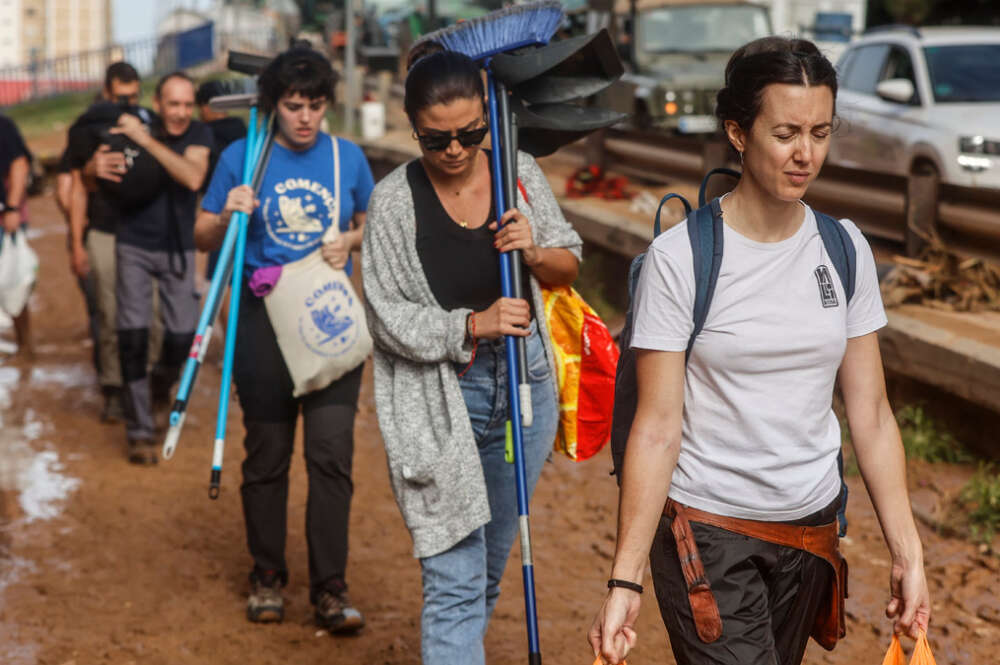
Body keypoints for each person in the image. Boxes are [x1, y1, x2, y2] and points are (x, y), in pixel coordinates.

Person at [588, 37, 930, 665]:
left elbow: (872, 414)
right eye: (786, 133)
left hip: (812, 530)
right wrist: (624, 580)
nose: (806, 155)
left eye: (821, 132)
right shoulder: (682, 258)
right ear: (738, 134)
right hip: (707, 532)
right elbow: (658, 427)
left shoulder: (844, 248)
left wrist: (907, 552)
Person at [361, 50, 582, 665]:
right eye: (437, 139)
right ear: (413, 126)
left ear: (487, 117)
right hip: (441, 401)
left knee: (485, 570)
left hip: (524, 387)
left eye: (470, 133)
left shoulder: (519, 171)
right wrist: (471, 324)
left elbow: (569, 263)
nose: (456, 150)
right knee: (453, 580)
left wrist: (534, 251)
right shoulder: (393, 202)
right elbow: (385, 317)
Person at [195, 46, 374, 633]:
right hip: (259, 324)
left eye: (315, 107)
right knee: (267, 456)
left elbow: (371, 221)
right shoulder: (241, 156)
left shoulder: (347, 159)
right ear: (273, 105)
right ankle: (266, 576)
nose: (304, 118)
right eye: (293, 106)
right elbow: (200, 233)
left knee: (330, 458)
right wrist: (227, 215)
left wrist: (350, 241)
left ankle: (330, 588)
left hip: (328, 322)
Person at [107, 70, 211, 464]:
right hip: (132, 243)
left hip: (178, 248)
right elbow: (96, 157)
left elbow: (192, 177)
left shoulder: (199, 135)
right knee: (132, 337)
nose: (181, 113)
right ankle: (139, 431)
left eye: (187, 104)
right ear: (158, 103)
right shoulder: (130, 126)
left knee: (184, 338)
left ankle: (158, 387)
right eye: (173, 104)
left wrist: (144, 139)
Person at [66, 62, 163, 424]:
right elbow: (76, 188)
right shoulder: (87, 128)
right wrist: (77, 243)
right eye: (121, 96)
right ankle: (113, 388)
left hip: (147, 233)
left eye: (134, 96)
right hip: (105, 232)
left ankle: (149, 382)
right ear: (107, 91)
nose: (127, 103)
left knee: (154, 316)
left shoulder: (152, 124)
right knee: (108, 315)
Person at [0, 113, 32, 359]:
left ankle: (25, 345)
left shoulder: (3, 125)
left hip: (3, 217)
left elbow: (19, 164)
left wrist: (12, 208)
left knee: (13, 281)